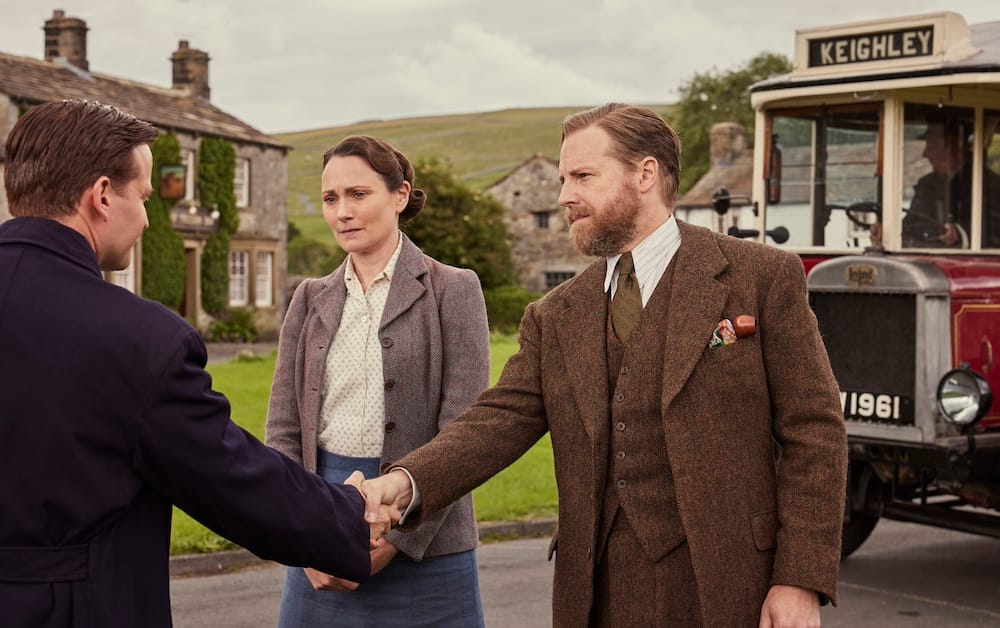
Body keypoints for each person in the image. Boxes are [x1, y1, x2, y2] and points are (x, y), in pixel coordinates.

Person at [360, 103, 848, 627]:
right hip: (595, 590)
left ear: (645, 174)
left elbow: (813, 432)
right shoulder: (555, 314)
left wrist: (799, 578)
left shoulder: (760, 276)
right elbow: (494, 424)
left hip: (730, 583)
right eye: (564, 178)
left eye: (583, 176)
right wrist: (404, 483)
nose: (565, 195)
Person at [0, 100, 386, 628]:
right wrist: (349, 517)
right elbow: (230, 478)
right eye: (142, 197)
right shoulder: (138, 339)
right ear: (102, 196)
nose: (146, 216)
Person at [265, 135, 490, 627]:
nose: (342, 211)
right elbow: (283, 429)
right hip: (318, 536)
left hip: (428, 545)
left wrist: (396, 541)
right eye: (330, 198)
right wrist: (301, 536)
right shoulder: (308, 298)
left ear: (400, 196)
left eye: (358, 194)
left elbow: (467, 433)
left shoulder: (454, 289)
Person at [902, 116, 1000, 248]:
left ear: (956, 146)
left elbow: (995, 233)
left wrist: (960, 234)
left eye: (933, 146)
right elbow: (910, 226)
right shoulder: (926, 184)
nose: (925, 153)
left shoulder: (990, 184)